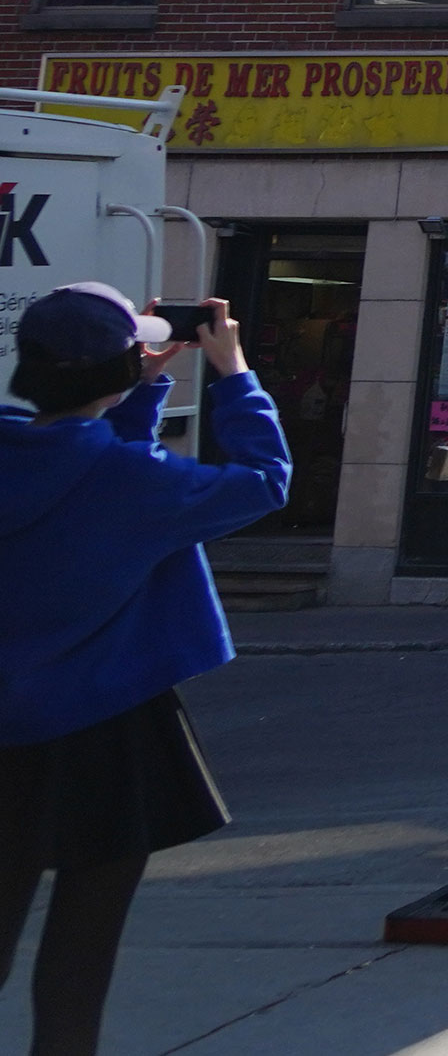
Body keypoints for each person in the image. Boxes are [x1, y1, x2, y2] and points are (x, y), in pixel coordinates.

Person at [3, 286, 289, 1056]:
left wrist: (136, 388)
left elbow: (75, 459)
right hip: (104, 733)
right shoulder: (139, 487)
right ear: (123, 364)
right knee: (78, 958)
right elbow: (265, 478)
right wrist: (230, 373)